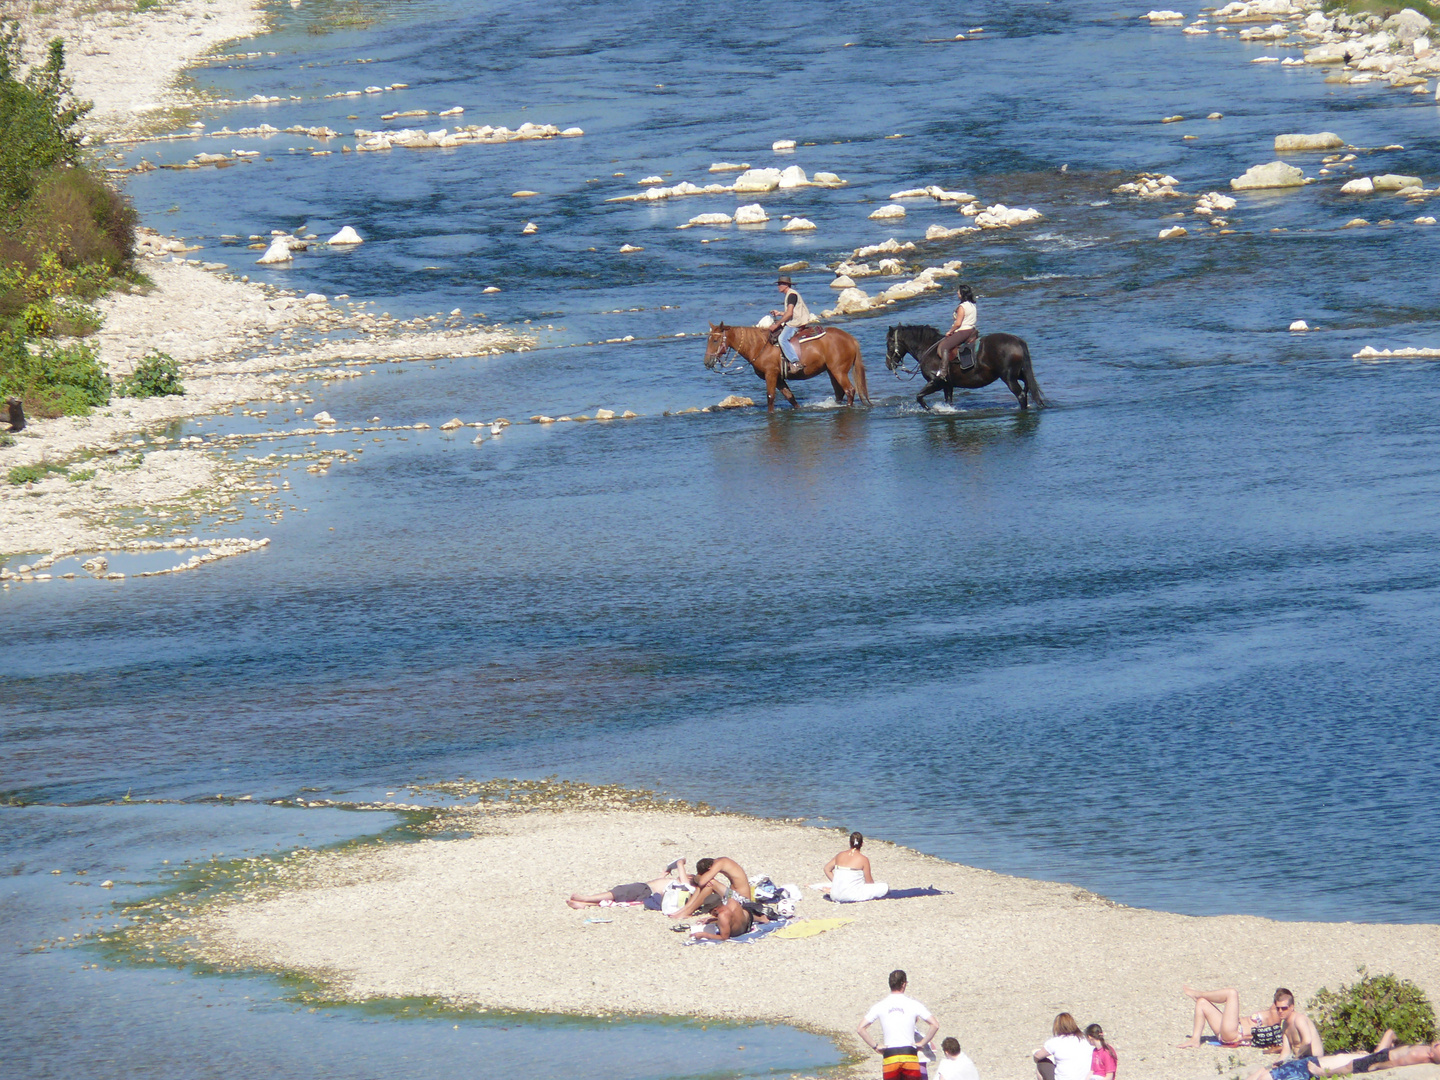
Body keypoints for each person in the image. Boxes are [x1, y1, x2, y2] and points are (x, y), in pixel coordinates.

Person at [1244, 1030, 1440, 1080]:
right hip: (1381, 1055)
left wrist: (1378, 1067)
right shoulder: (1425, 1050)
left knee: (1350, 1066)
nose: (1437, 1044)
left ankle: (1323, 1073)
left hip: (1378, 1059)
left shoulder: (1421, 1055)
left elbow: (1395, 1062)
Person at [858, 969, 941, 1080]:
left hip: (890, 1054)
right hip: (909, 1053)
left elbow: (860, 1029)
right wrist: (922, 1043)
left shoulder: (880, 1005)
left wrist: (875, 1046)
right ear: (903, 984)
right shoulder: (913, 1004)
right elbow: (934, 1024)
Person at [1178, 986, 1285, 1051]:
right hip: (1228, 1031)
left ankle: (1198, 994)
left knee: (1232, 993)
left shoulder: (1275, 1014)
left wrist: (1244, 1038)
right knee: (1202, 1003)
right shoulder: (1272, 1010)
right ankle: (1195, 1040)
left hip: (1235, 1033)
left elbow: (1267, 1034)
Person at [567, 857, 691, 909]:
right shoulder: (674, 884)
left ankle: (586, 898)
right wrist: (663, 874)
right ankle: (585, 904)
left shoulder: (685, 885)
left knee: (617, 893)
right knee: (620, 900)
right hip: (648, 893)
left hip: (645, 889)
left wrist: (680, 864)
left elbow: (686, 883)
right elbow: (660, 883)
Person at [668, 856, 752, 921]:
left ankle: (688, 911)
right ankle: (685, 909)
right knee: (707, 884)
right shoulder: (719, 862)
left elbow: (702, 881)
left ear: (709, 868)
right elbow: (701, 882)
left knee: (710, 883)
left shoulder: (721, 863)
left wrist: (698, 878)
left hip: (742, 900)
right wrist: (698, 878)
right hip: (734, 896)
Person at [769, 276, 817, 380]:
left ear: (786, 285)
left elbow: (789, 313)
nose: (778, 286)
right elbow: (791, 312)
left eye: (780, 284)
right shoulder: (790, 294)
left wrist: (776, 325)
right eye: (778, 284)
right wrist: (779, 313)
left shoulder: (791, 295)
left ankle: (795, 362)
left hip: (796, 323)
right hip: (795, 320)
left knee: (782, 339)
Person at [824, 832, 889, 903]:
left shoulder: (840, 855)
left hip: (835, 895)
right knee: (884, 887)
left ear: (849, 842)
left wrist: (837, 883)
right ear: (862, 844)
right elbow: (869, 882)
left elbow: (827, 869)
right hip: (851, 895)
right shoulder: (863, 859)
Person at [1032, 1013, 1092, 1080]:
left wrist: (1036, 1056)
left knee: (1041, 1063)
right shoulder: (1085, 1041)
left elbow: (1037, 1056)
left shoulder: (1055, 1042)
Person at [934, 284, 979, 372]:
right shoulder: (973, 305)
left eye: (958, 292)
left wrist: (950, 331)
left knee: (944, 347)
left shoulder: (962, 307)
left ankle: (943, 371)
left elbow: (958, 324)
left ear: (962, 294)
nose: (957, 293)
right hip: (972, 330)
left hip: (963, 331)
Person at [1276, 988, 1325, 1060]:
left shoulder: (1299, 1020)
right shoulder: (1285, 1024)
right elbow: (1286, 1051)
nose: (1280, 1011)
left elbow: (1307, 1041)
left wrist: (1296, 1057)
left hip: (1313, 1060)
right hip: (1299, 1060)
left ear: (1291, 1007)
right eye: (1278, 1008)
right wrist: (1276, 1063)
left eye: (1284, 1008)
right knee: (1266, 1070)